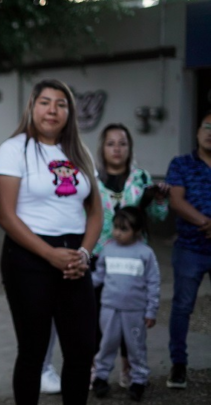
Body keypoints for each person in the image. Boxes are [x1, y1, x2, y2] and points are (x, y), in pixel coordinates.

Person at [0, 78, 103, 405]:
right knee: (33, 351)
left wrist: (83, 253)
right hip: (28, 258)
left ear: (70, 111)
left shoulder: (80, 153)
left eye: (61, 104)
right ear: (32, 107)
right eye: (45, 102)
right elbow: (6, 216)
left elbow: (96, 213)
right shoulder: (13, 149)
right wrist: (50, 255)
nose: (52, 110)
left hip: (74, 259)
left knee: (82, 349)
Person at [93, 123, 169, 388]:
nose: (117, 148)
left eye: (122, 143)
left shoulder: (141, 178)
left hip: (132, 260)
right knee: (99, 317)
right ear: (102, 148)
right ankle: (98, 368)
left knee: (130, 317)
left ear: (130, 147)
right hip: (99, 256)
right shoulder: (92, 178)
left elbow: (158, 217)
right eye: (111, 143)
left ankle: (129, 366)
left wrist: (160, 199)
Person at [90, 207, 160, 402]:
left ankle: (138, 380)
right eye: (116, 228)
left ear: (137, 231)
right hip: (109, 309)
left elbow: (153, 283)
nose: (118, 233)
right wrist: (82, 283)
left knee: (135, 347)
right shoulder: (107, 249)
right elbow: (98, 277)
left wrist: (151, 310)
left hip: (135, 311)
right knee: (107, 344)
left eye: (124, 229)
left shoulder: (145, 253)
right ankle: (101, 378)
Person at [165, 111, 211, 389]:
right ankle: (178, 364)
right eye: (206, 126)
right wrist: (206, 222)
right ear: (196, 132)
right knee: (182, 307)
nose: (210, 132)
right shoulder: (181, 164)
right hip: (190, 249)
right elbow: (175, 200)